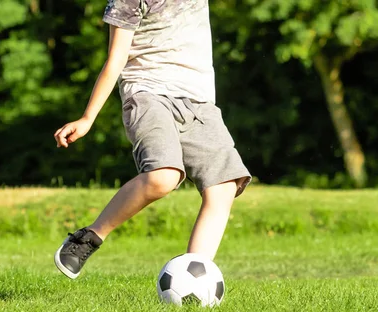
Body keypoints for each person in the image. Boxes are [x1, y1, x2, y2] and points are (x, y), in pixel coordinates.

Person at [53, 0, 251, 279]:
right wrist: (88, 118)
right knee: (163, 177)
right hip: (148, 93)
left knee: (224, 186)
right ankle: (90, 236)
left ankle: (192, 278)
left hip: (199, 100)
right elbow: (116, 59)